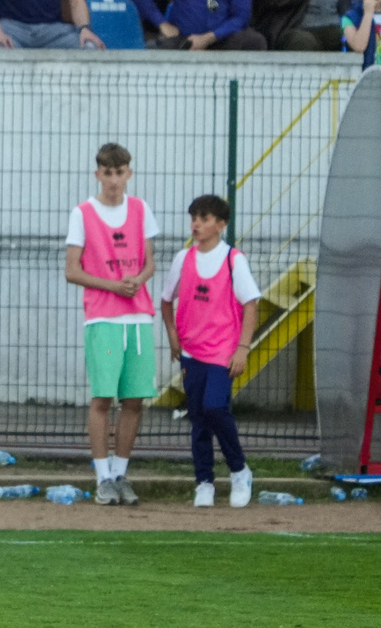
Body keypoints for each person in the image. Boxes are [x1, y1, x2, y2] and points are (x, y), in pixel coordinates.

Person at [155, 191, 259, 509]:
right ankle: (204, 482)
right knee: (198, 417)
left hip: (223, 351)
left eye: (204, 218)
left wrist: (242, 348)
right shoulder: (183, 258)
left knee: (215, 408)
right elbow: (165, 299)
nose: (196, 224)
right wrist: (173, 336)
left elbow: (251, 304)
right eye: (194, 218)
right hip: (191, 351)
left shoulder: (233, 260)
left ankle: (240, 470)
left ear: (221, 224)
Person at [63, 142, 154, 505]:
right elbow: (72, 270)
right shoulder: (82, 213)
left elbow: (149, 262)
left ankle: (120, 474)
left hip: (139, 317)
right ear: (97, 173)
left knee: (134, 400)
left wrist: (139, 279)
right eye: (107, 172)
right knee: (102, 398)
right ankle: (102, 477)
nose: (114, 179)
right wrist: (114, 285)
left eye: (120, 172)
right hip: (103, 317)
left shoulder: (141, 209)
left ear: (129, 173)